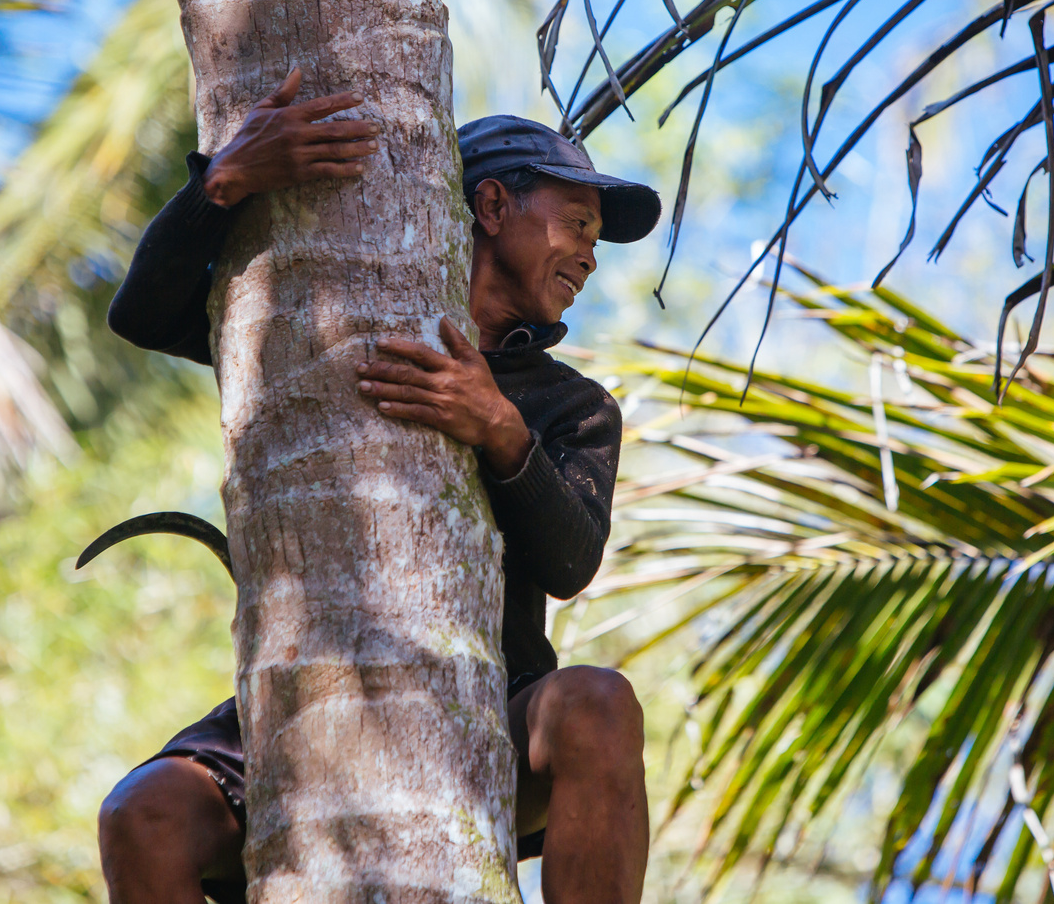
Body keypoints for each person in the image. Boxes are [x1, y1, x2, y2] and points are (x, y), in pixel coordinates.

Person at [96, 68, 662, 904]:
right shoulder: (321, 322)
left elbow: (572, 561)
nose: (587, 253)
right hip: (313, 694)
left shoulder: (569, 404)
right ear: (494, 206)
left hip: (488, 700)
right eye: (577, 223)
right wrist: (222, 182)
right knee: (139, 816)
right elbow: (141, 314)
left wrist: (500, 430)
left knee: (597, 704)